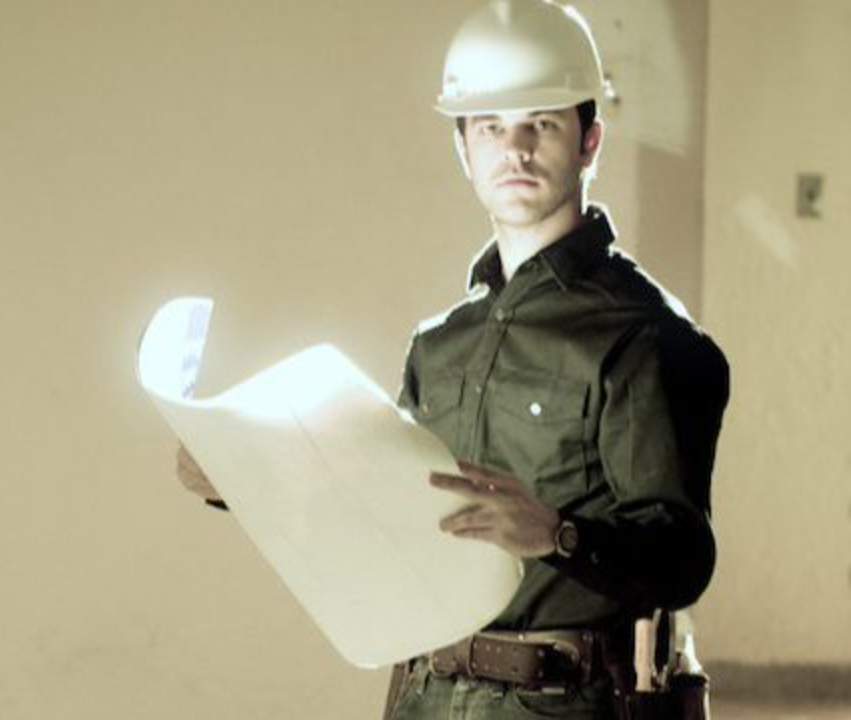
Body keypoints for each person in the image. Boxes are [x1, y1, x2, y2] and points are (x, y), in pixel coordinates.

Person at [176, 1, 729, 717]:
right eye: (491, 127)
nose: (515, 150)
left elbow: (684, 560)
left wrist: (558, 535)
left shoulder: (647, 338)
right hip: (427, 694)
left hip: (564, 702)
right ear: (464, 149)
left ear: (590, 141)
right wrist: (242, 475)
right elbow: (379, 514)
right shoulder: (440, 345)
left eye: (542, 124)